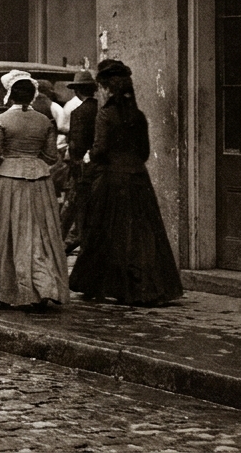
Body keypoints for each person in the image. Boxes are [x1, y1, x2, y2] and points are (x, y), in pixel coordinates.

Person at [68, 59, 183, 306]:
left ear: (109, 89)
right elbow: (144, 151)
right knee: (142, 234)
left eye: (102, 87)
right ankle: (148, 287)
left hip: (112, 180)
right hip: (138, 179)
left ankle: (100, 285)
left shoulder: (106, 115)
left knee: (106, 233)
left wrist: (91, 156)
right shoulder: (138, 116)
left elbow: (100, 149)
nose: (100, 91)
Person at [0, 71, 68, 310]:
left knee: (4, 233)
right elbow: (51, 156)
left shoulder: (2, 120)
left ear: (10, 95)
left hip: (8, 180)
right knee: (38, 235)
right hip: (39, 180)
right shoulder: (45, 121)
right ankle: (41, 288)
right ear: (33, 95)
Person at [61, 69, 98, 254]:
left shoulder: (79, 112)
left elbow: (76, 144)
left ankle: (62, 242)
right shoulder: (100, 108)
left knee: (74, 206)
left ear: (77, 91)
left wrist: (75, 165)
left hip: (82, 168)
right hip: (98, 166)